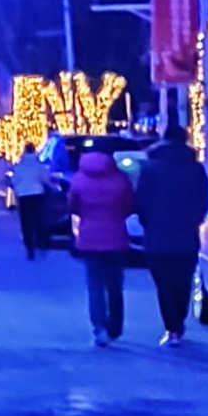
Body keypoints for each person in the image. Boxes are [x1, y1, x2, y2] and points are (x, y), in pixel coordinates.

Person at [136, 125, 208, 346]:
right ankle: (178, 320)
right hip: (186, 237)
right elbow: (203, 200)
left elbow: (141, 201)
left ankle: (172, 327)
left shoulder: (150, 168)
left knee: (164, 284)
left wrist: (148, 222)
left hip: (157, 238)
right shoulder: (195, 169)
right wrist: (193, 221)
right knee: (182, 280)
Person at [67, 148, 136, 346]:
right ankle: (115, 326)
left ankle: (100, 329)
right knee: (115, 285)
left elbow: (72, 206)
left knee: (95, 285)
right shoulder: (120, 180)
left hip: (89, 238)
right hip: (115, 237)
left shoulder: (79, 179)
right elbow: (129, 205)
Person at [9, 144, 50, 259]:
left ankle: (29, 248)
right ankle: (41, 244)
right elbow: (45, 179)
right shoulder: (39, 166)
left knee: (26, 223)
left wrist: (18, 189)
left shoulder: (19, 166)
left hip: (23, 196)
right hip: (37, 194)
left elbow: (14, 180)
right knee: (38, 220)